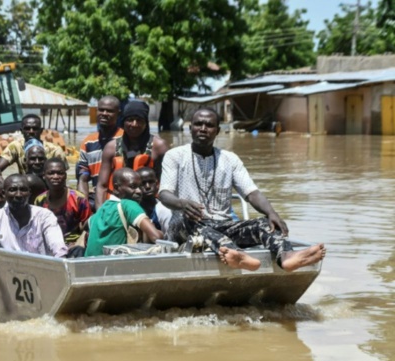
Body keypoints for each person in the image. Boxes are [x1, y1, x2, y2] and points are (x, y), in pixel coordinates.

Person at [158, 107, 326, 272]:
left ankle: (286, 257)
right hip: (183, 226)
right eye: (198, 124)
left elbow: (251, 193)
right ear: (190, 128)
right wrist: (182, 204)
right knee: (190, 220)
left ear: (217, 131)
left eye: (209, 125)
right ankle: (237, 254)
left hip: (221, 225)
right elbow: (164, 194)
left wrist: (272, 213)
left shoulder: (230, 160)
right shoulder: (175, 156)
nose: (203, 128)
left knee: (265, 223)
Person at [95, 100, 169, 209]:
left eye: (139, 120)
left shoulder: (159, 147)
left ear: (146, 122)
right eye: (130, 120)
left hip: (150, 206)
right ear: (123, 122)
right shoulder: (111, 148)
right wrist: (100, 214)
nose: (134, 124)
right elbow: (101, 186)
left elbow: (169, 183)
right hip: (119, 205)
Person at [0, 174, 68, 258]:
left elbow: (56, 244)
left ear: (29, 193)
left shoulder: (44, 216)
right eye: (12, 190)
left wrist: (62, 259)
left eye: (23, 190)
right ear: (4, 193)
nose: (18, 195)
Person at [85, 168, 163, 257]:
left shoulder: (102, 208)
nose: (139, 191)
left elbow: (85, 224)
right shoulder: (128, 204)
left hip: (88, 266)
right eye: (133, 187)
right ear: (117, 188)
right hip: (113, 267)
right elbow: (156, 237)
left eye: (139, 186)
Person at [76, 96, 124, 207]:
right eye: (101, 110)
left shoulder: (125, 139)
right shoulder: (88, 142)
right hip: (96, 197)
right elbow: (83, 177)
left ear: (118, 113)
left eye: (110, 111)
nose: (104, 113)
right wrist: (84, 205)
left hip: (119, 197)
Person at [34, 158, 92, 246]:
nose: (55, 176)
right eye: (51, 173)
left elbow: (88, 226)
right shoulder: (40, 200)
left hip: (74, 246)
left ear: (65, 175)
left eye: (60, 173)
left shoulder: (78, 199)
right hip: (47, 244)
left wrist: (79, 244)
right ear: (44, 176)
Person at [0, 114, 66, 181]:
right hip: (24, 187)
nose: (31, 131)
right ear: (22, 131)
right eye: (27, 128)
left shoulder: (54, 150)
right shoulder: (16, 147)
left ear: (41, 131)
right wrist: (4, 188)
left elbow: (62, 176)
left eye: (35, 128)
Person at [136, 167, 172, 232]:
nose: (147, 186)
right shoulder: (135, 209)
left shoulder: (164, 207)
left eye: (151, 182)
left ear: (157, 183)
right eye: (142, 183)